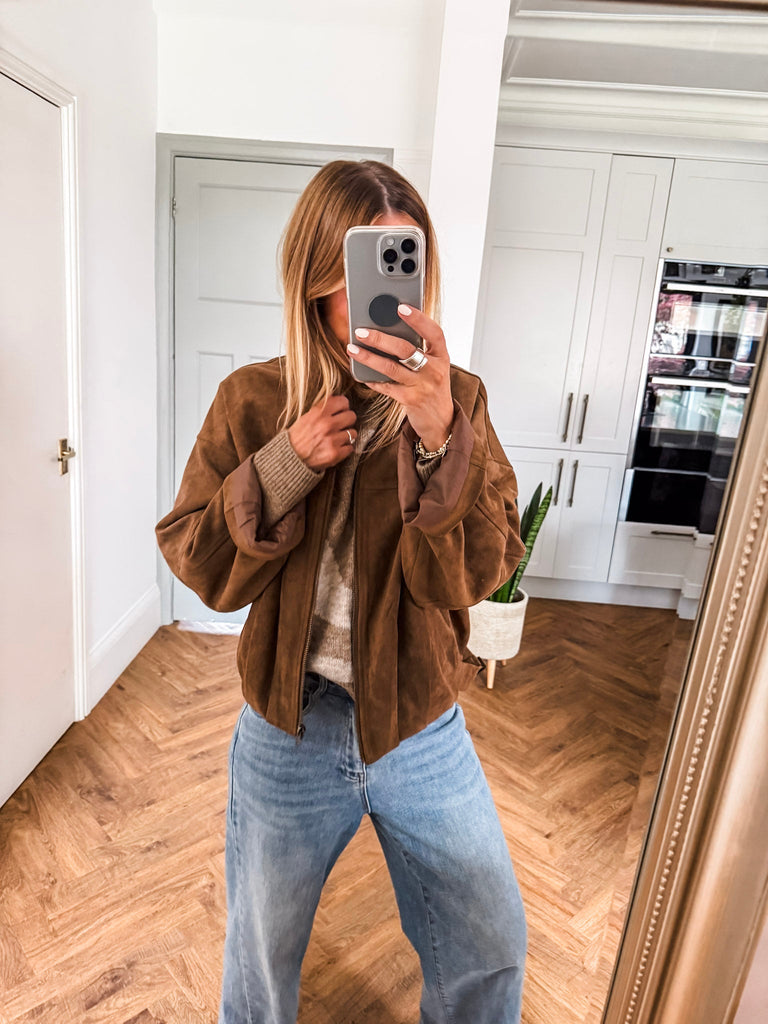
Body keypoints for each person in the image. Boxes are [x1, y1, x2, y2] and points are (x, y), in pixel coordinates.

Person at [156, 160, 528, 1024]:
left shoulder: (458, 401)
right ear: (316, 275)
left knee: (490, 942)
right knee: (259, 962)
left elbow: (476, 572)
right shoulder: (254, 400)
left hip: (419, 723)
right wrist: (284, 463)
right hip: (288, 728)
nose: (380, 297)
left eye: (402, 264)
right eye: (357, 269)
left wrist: (439, 436)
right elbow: (198, 559)